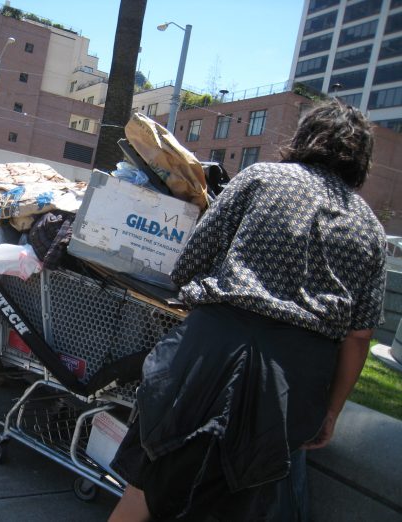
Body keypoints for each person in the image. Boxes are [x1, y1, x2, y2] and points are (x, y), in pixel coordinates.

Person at [108, 99, 386, 521]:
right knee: (240, 501)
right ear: (360, 159)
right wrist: (331, 412)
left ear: (306, 138)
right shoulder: (368, 226)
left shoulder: (260, 178)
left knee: (147, 482)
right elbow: (360, 336)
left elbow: (191, 262)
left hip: (210, 352)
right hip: (291, 381)